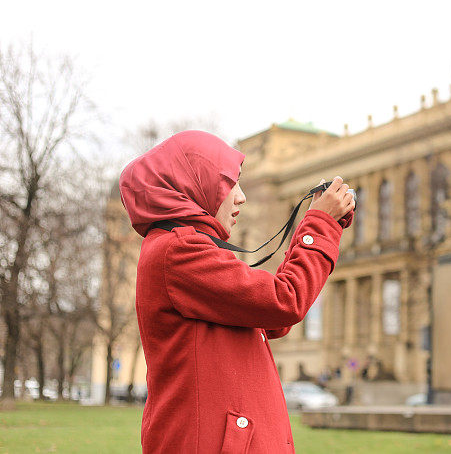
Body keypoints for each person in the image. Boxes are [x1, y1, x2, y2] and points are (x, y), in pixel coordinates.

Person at [119, 130, 354, 453]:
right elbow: (284, 302)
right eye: (231, 183)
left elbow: (272, 318)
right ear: (195, 181)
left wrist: (316, 225)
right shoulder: (179, 251)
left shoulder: (185, 248)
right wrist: (320, 224)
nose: (241, 196)